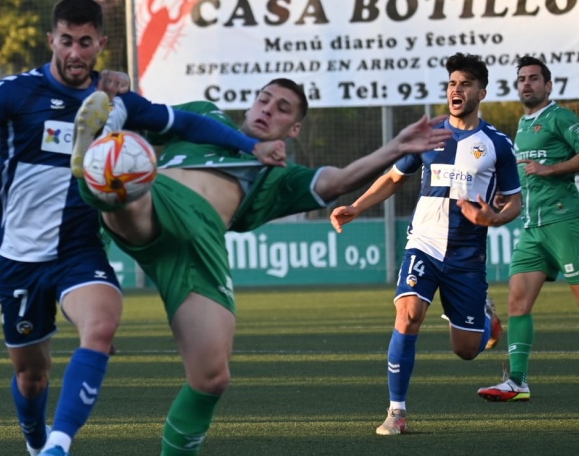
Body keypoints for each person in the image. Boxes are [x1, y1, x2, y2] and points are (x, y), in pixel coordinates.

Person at [0, 2, 278, 455]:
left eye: (85, 42)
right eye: (66, 40)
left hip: (78, 249)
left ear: (100, 45)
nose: (74, 52)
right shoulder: (15, 92)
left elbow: (185, 122)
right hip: (20, 256)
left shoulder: (118, 103)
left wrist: (251, 146)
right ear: (52, 40)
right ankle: (35, 441)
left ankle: (59, 446)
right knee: (32, 377)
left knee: (102, 326)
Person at [69, 74, 453, 453]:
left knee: (211, 377)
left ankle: (101, 176)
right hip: (160, 200)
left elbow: (338, 180)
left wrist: (394, 147)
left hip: (201, 247)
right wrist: (113, 89)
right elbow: (143, 114)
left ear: (295, 128)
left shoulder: (281, 175)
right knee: (126, 181)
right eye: (264, 99)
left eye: (282, 108)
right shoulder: (206, 117)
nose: (268, 109)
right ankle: (95, 169)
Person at [328, 53, 523, 435]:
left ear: (481, 92)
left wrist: (493, 218)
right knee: (408, 316)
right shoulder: (430, 134)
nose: (456, 89)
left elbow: (515, 201)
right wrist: (355, 205)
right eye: (452, 83)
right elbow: (394, 178)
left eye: (465, 84)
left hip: (467, 256)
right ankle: (396, 412)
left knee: (466, 350)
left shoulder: (497, 144)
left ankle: (484, 317)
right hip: (424, 245)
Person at [476, 56, 579, 402]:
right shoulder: (523, 125)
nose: (526, 84)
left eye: (533, 79)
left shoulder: (560, 117)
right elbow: (524, 174)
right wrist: (505, 196)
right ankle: (517, 381)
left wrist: (550, 168)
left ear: (548, 85)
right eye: (522, 80)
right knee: (517, 302)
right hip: (532, 228)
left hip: (563, 221)